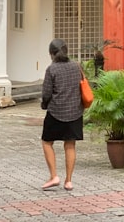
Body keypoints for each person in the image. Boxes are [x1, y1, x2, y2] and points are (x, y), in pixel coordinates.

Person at [40, 39, 83, 191]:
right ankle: (69, 181)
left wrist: (44, 105)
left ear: (51, 54)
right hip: (75, 112)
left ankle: (54, 176)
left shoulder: (51, 69)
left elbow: (46, 94)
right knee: (70, 145)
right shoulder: (76, 67)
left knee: (47, 142)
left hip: (56, 112)